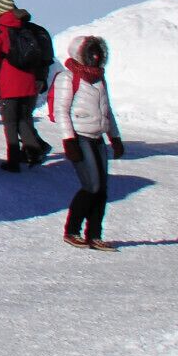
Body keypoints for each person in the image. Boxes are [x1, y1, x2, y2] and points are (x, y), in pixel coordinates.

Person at [48, 35, 124, 249]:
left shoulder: (100, 78)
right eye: (90, 53)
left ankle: (94, 235)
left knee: (102, 189)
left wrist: (114, 137)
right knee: (92, 186)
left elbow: (107, 111)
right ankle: (72, 230)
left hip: (98, 137)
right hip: (80, 136)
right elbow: (61, 111)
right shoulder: (67, 77)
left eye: (97, 52)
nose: (95, 57)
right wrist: (69, 140)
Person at [0, 0, 53, 171]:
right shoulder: (26, 27)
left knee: (10, 122)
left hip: (9, 83)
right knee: (24, 118)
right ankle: (34, 150)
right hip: (29, 81)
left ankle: (13, 160)